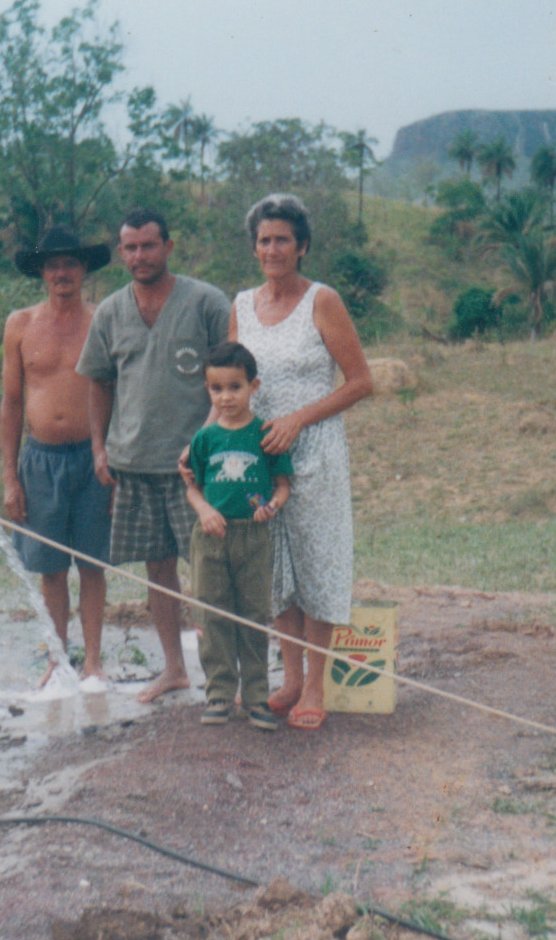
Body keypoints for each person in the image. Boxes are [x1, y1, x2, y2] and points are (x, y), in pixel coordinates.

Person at [229, 194, 373, 730]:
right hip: (259, 454)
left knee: (316, 560)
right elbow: (228, 380)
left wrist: (299, 419)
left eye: (282, 239)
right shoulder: (242, 305)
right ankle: (288, 679)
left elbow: (361, 382)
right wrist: (210, 440)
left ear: (302, 245)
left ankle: (316, 685)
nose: (272, 249)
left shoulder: (323, 300)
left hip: (314, 451)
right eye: (264, 239)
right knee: (275, 568)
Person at [77, 208, 231, 702]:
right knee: (158, 571)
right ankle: (173, 669)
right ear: (121, 252)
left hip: (197, 466)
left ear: (168, 245)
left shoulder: (206, 302)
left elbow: (232, 380)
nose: (139, 256)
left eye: (148, 245)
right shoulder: (109, 312)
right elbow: (99, 382)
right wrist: (100, 447)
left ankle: (227, 676)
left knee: (213, 570)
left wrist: (207, 443)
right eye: (130, 247)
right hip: (134, 463)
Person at [1, 226, 115, 685]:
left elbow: (117, 392)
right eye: (53, 264)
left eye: (70, 263)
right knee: (50, 568)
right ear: (41, 272)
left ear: (84, 268)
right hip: (40, 460)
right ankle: (56, 658)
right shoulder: (21, 324)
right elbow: (11, 402)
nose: (62, 272)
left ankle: (93, 660)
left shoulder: (103, 319)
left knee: (92, 564)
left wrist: (113, 460)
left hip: (95, 459)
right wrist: (10, 477)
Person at [184, 342, 293, 730]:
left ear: (254, 386)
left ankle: (257, 697)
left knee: (253, 616)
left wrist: (273, 506)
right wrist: (205, 510)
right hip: (211, 538)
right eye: (217, 389)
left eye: (235, 387)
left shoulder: (265, 434)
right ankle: (218, 693)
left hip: (254, 537)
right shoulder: (204, 439)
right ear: (207, 390)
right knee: (211, 614)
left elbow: (283, 486)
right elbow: (192, 486)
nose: (226, 397)